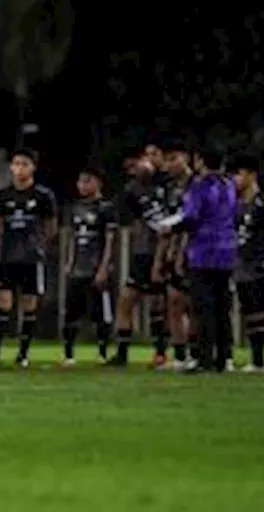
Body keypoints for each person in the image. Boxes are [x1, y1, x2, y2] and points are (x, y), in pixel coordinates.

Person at [156, 145, 237, 372]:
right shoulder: (229, 185)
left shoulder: (200, 186)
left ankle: (204, 359)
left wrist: (169, 228)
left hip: (204, 251)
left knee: (203, 307)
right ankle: (224, 358)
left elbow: (191, 217)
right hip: (227, 250)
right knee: (223, 307)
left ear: (200, 161)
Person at [0, 148, 58, 368]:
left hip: (32, 258)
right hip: (8, 257)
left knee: (29, 305)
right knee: (3, 303)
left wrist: (38, 245)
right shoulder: (2, 196)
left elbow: (51, 227)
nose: (19, 168)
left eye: (24, 164)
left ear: (33, 167)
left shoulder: (44, 196)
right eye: (16, 164)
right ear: (11, 167)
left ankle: (23, 355)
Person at [108, 147, 168, 366]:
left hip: (166, 250)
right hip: (144, 251)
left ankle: (162, 352)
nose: (144, 164)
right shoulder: (131, 190)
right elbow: (130, 219)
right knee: (126, 299)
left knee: (160, 303)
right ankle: (122, 352)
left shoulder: (168, 184)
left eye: (152, 156)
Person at [230, 154, 264, 372]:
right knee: (250, 311)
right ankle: (257, 359)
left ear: (252, 175)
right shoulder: (237, 205)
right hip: (242, 264)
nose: (236, 179)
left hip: (261, 263)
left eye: (239, 174)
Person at [61, 167, 119, 365]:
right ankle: (68, 354)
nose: (82, 185)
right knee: (71, 312)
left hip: (96, 267)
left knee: (100, 313)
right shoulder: (75, 207)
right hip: (78, 267)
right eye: (80, 181)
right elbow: (72, 237)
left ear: (98, 183)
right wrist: (69, 261)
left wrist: (104, 267)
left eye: (87, 181)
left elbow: (110, 239)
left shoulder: (106, 208)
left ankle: (102, 353)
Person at [156, 140, 195, 369]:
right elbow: (167, 227)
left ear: (186, 158)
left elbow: (192, 224)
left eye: (174, 158)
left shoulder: (197, 185)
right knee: (173, 302)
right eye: (167, 159)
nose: (169, 164)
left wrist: (182, 254)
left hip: (195, 253)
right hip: (174, 252)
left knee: (194, 304)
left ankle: (200, 351)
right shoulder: (170, 189)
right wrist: (160, 258)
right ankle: (180, 355)